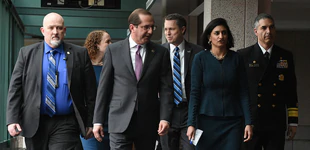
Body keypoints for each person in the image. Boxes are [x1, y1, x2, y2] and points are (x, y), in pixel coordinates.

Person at [6, 12, 97, 150]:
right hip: (34, 122)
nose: (55, 32)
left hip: (66, 122)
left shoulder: (80, 54)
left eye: (59, 28)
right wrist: (12, 119)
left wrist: (91, 122)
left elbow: (91, 92)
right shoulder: (26, 54)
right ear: (43, 31)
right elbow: (15, 89)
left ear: (64, 30)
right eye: (51, 28)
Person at [92, 8, 174, 150]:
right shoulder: (114, 50)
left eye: (152, 27)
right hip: (119, 119)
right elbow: (104, 88)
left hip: (148, 121)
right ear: (132, 28)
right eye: (145, 27)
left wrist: (165, 117)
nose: (150, 31)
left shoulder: (161, 52)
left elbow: (166, 88)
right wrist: (97, 121)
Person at [186, 18, 253, 150]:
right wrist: (191, 123)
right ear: (209, 37)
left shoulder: (236, 59)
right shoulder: (200, 59)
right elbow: (195, 93)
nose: (221, 36)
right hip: (206, 121)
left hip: (232, 122)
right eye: (216, 33)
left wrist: (249, 122)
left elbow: (244, 92)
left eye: (224, 33)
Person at [238, 13, 298, 150]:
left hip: (276, 122)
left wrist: (293, 122)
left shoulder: (285, 56)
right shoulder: (243, 55)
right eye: (264, 28)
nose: (268, 32)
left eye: (271, 28)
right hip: (252, 122)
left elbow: (291, 91)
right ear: (256, 31)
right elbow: (239, 91)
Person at [158, 13, 203, 150]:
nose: (168, 33)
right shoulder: (159, 52)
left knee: (189, 148)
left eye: (172, 29)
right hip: (166, 110)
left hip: (188, 110)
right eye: (166, 29)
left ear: (183, 30)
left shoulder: (198, 52)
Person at [80, 30, 112, 150]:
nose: (111, 44)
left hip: (110, 123)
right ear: (97, 44)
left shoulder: (111, 67)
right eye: (107, 41)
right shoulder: (84, 67)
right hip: (90, 123)